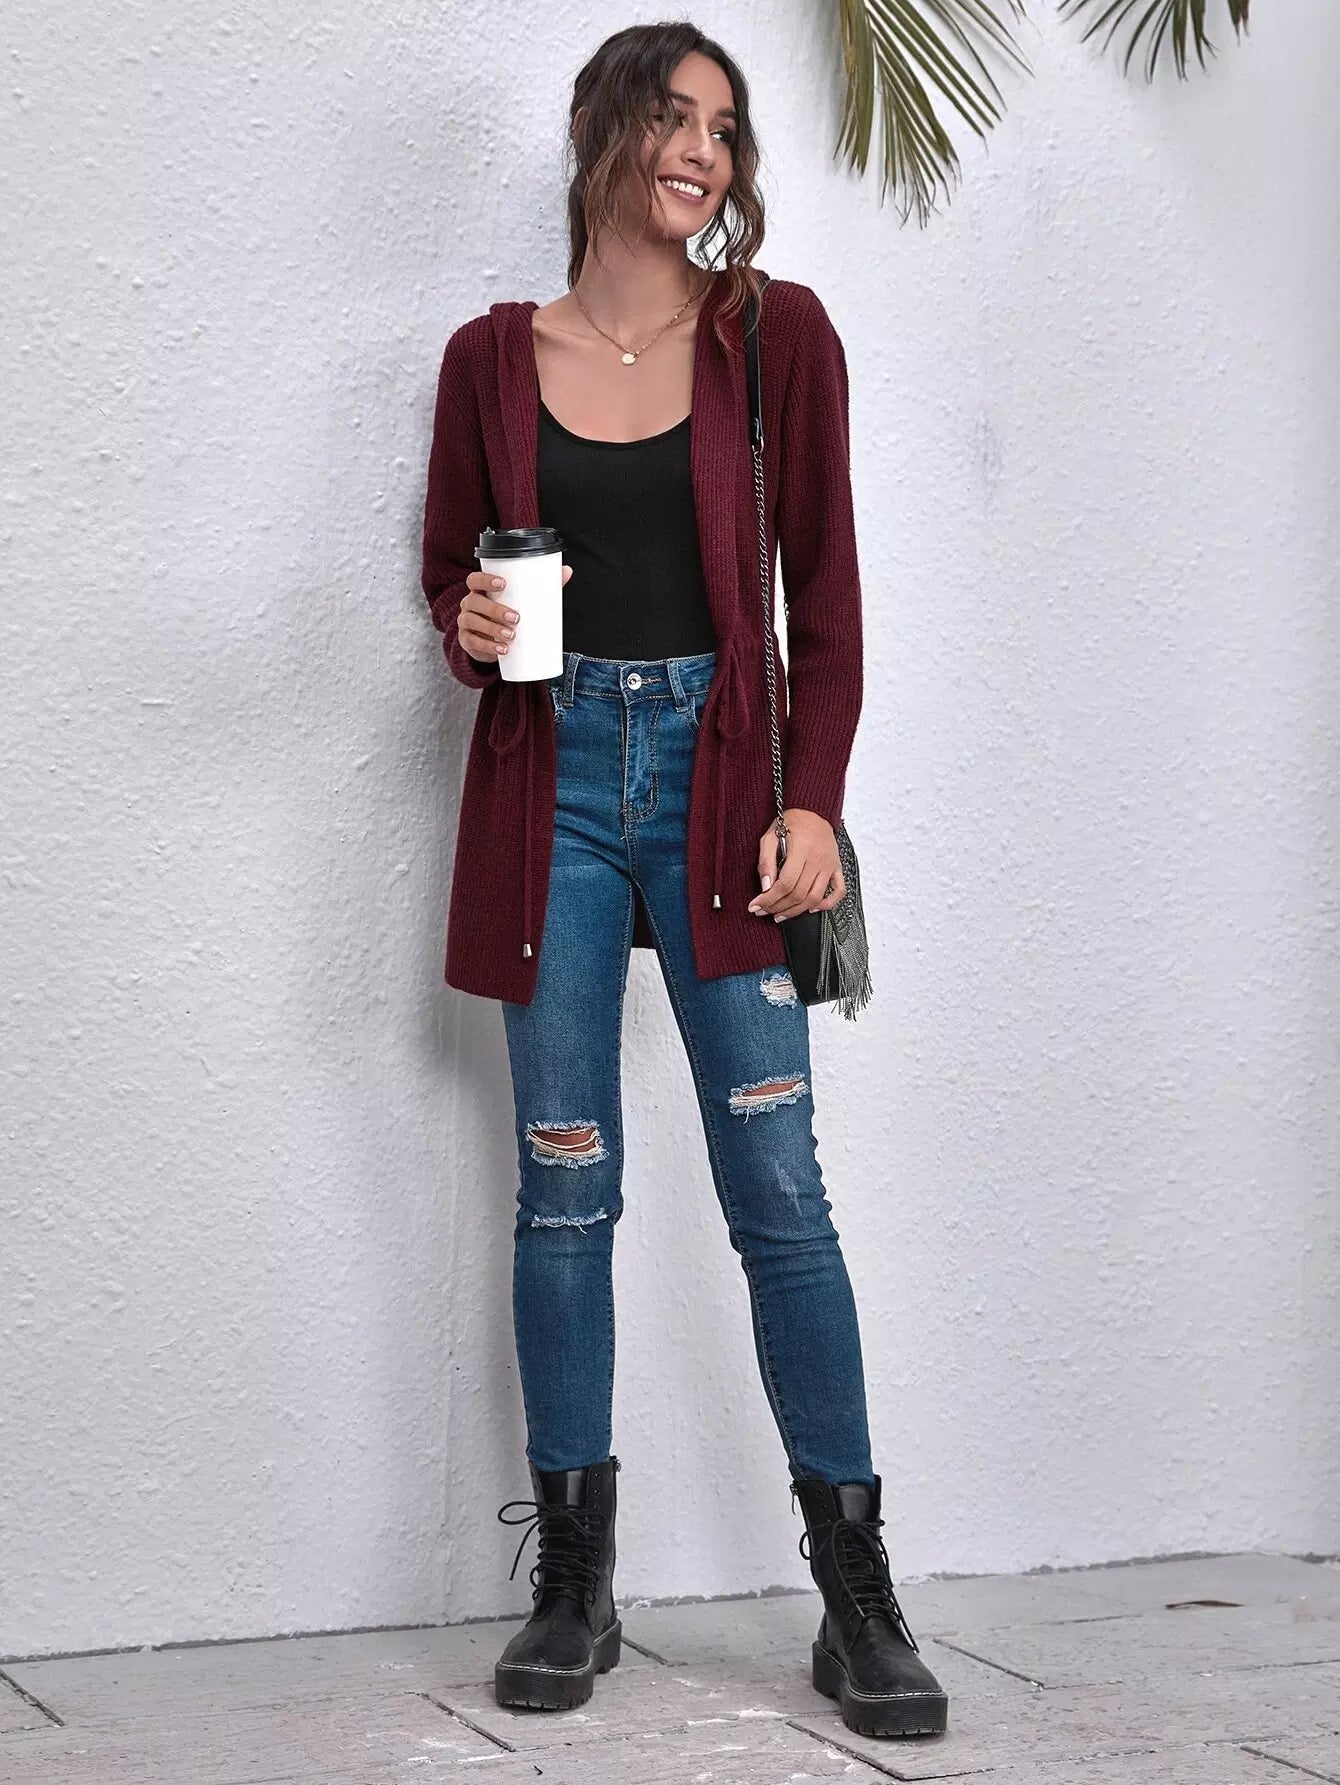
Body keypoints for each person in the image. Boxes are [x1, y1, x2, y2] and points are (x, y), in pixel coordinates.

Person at [420, 19, 948, 1743]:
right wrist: (471, 622)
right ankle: (576, 1584)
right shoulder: (491, 358)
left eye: (725, 124)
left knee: (781, 1191)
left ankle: (856, 1596)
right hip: (556, 788)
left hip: (726, 790)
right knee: (565, 1188)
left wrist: (817, 803)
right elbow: (449, 588)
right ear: (599, 128)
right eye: (673, 113)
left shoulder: (775, 335)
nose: (703, 148)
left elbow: (829, 605)